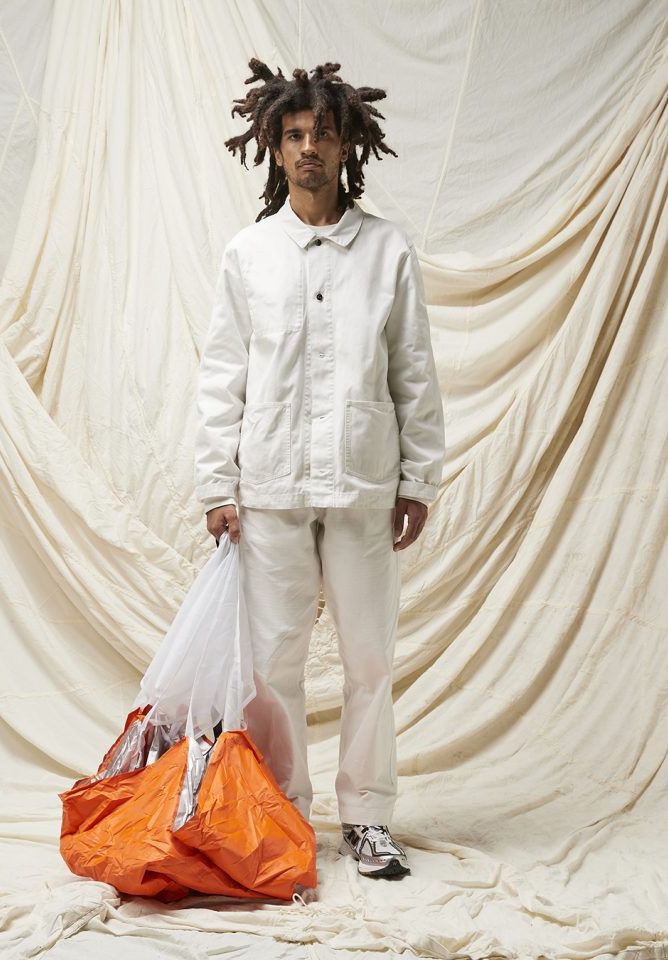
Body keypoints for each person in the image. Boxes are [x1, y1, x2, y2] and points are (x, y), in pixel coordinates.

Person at [194, 59, 445, 880]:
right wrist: (216, 483)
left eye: (323, 134)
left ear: (346, 147)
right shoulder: (249, 254)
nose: (309, 148)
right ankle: (285, 813)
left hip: (364, 482)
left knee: (370, 658)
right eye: (295, 135)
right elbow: (222, 373)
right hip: (269, 486)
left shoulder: (387, 250)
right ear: (275, 149)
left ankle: (367, 817)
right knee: (274, 664)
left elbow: (413, 369)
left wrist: (418, 480)